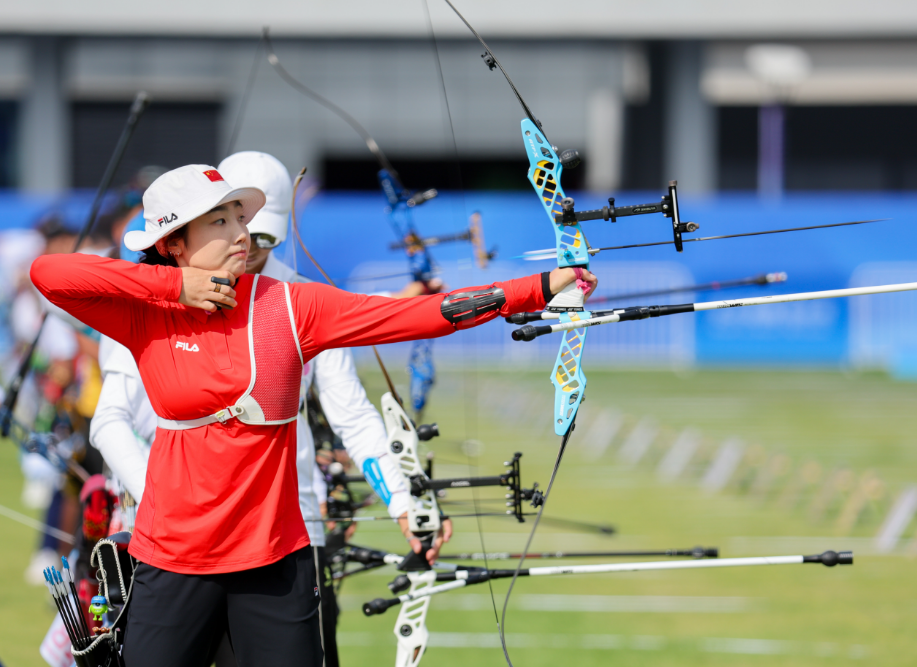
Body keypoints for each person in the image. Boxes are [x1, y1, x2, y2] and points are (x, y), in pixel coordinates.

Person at [31, 162, 596, 667]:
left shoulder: (289, 305)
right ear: (175, 242)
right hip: (173, 556)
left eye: (239, 216)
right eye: (219, 222)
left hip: (273, 559)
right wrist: (178, 286)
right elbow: (49, 274)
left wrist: (542, 286)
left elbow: (422, 316)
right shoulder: (146, 314)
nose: (240, 232)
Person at [89, 151, 439, 667]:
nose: (247, 245)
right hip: (173, 538)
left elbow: (355, 418)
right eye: (227, 223)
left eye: (260, 234)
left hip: (285, 533)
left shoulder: (298, 300)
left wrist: (405, 502)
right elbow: (109, 419)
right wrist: (165, 500)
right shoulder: (154, 297)